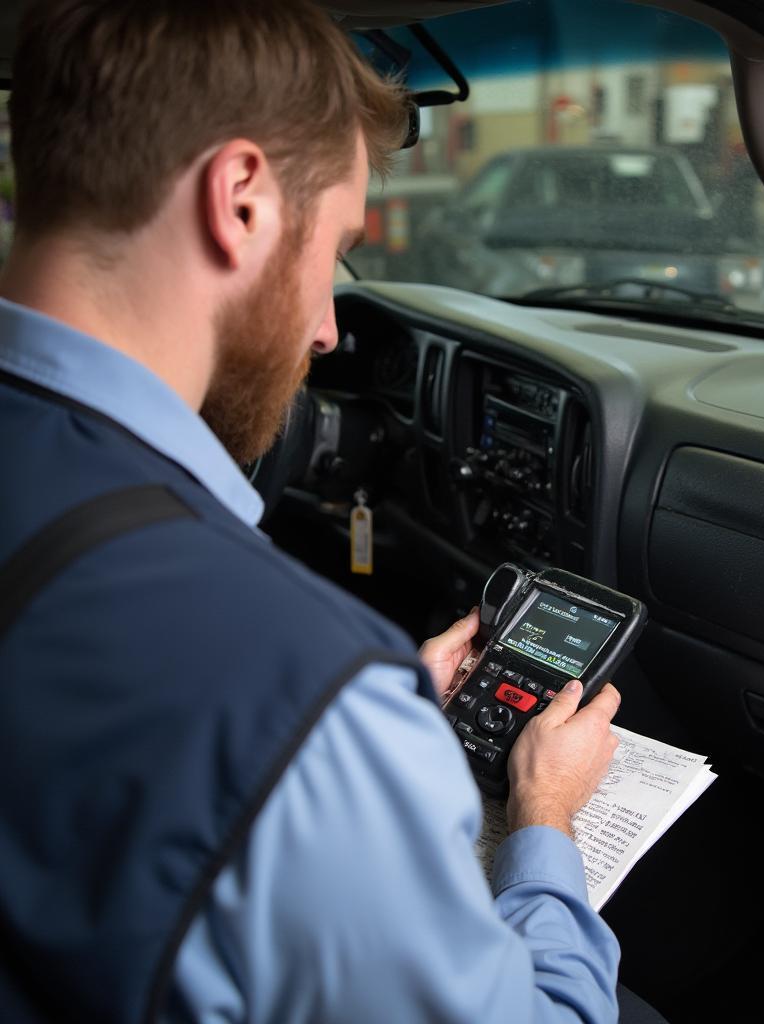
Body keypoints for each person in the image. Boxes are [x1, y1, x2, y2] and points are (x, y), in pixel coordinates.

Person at [0, 2, 668, 1021]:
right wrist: (540, 813)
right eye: (337, 247)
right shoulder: (300, 696)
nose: (325, 328)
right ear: (241, 200)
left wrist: (376, 715)